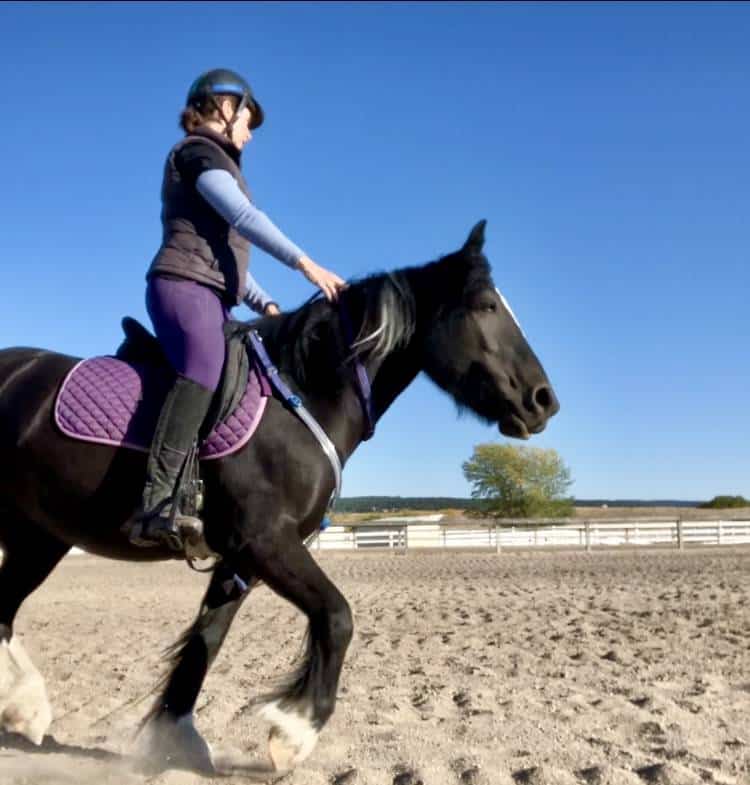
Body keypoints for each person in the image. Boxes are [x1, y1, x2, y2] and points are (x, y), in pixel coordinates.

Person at [124, 68, 346, 552]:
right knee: (204, 367)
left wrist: (264, 301)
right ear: (222, 107)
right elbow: (246, 219)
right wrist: (306, 265)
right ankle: (158, 499)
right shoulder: (198, 154)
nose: (249, 130)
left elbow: (228, 258)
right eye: (247, 117)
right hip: (182, 286)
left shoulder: (221, 164)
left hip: (212, 292)